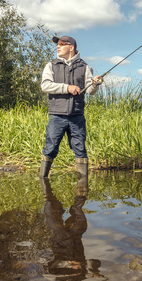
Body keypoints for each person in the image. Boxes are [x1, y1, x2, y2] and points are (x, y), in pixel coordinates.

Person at [39, 35, 102, 178]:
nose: (58, 46)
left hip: (77, 116)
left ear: (71, 47)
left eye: (62, 43)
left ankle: (82, 189)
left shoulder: (86, 67)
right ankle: (43, 181)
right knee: (50, 148)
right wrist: (67, 88)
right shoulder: (51, 65)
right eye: (57, 44)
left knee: (80, 150)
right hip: (56, 115)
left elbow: (91, 92)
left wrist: (95, 84)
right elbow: (45, 85)